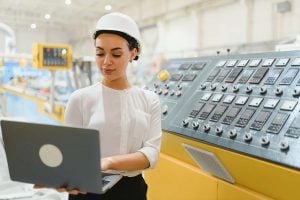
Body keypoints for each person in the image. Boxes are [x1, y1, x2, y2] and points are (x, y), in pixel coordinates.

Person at [64, 12, 162, 200]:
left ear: (133, 53)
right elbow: (70, 154)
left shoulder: (149, 100)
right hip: (88, 189)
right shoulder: (80, 99)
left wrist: (108, 162)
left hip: (132, 191)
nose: (106, 62)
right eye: (100, 53)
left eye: (116, 54)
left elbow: (151, 155)